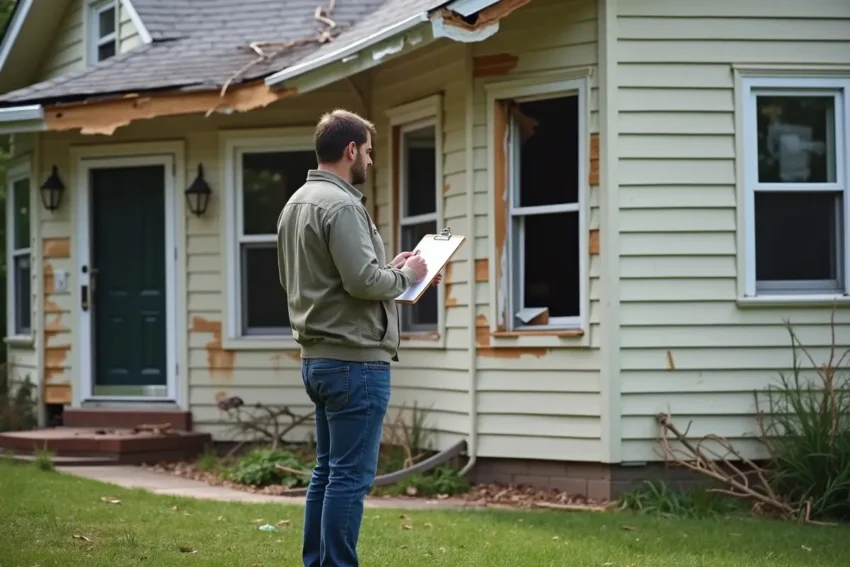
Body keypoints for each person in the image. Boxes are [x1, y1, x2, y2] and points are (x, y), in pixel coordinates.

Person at [276, 108, 430, 567]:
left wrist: (395, 270)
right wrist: (406, 276)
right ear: (350, 150)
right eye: (368, 151)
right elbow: (363, 282)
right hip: (354, 364)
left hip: (318, 359)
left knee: (327, 473)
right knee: (349, 478)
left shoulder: (296, 202)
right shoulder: (342, 205)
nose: (370, 160)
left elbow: (331, 279)